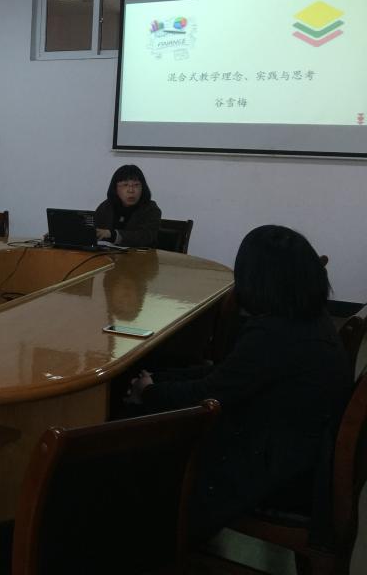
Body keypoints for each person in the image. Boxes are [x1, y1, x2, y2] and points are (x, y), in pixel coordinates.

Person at [125, 225, 351, 542]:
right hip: (301, 453)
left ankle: (154, 540)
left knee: (137, 443)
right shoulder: (308, 318)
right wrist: (157, 380)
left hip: (278, 473)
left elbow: (212, 393)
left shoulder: (273, 334)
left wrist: (149, 392)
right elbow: (228, 375)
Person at [93, 164, 161, 247]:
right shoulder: (105, 207)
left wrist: (113, 235)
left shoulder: (151, 209)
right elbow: (96, 233)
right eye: (125, 185)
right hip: (106, 253)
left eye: (136, 185)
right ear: (115, 188)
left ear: (143, 188)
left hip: (140, 254)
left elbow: (145, 237)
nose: (131, 190)